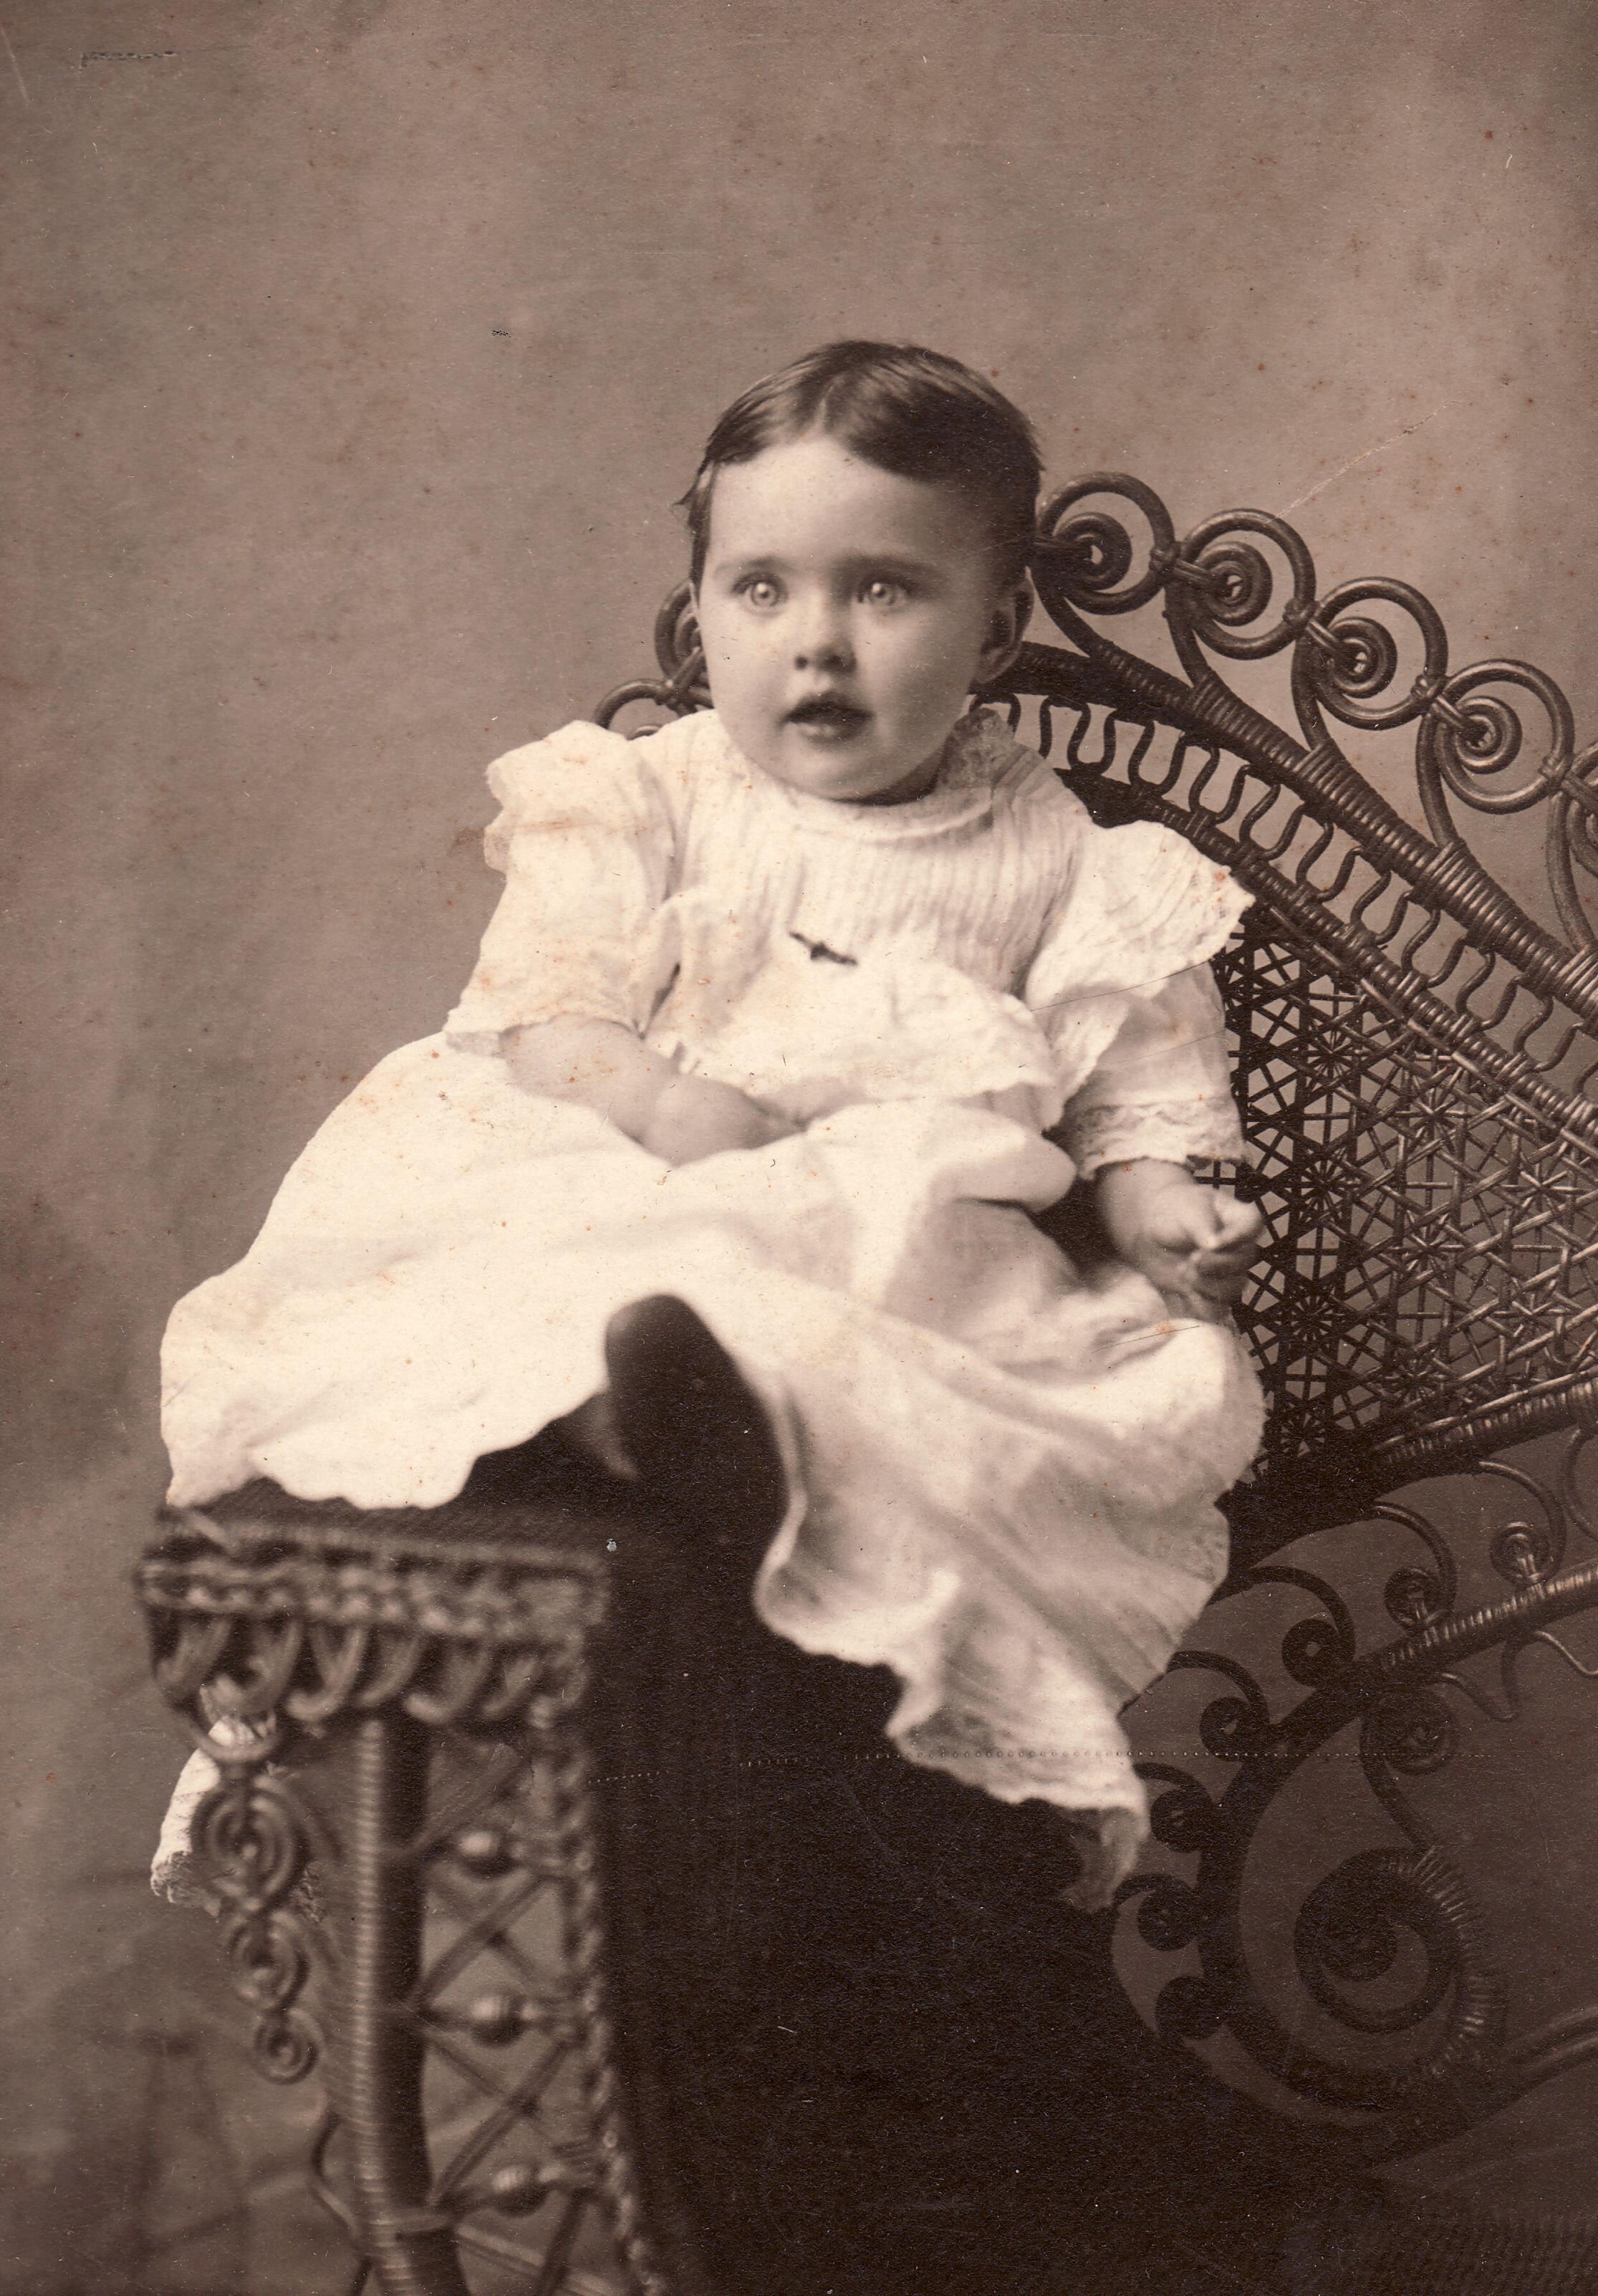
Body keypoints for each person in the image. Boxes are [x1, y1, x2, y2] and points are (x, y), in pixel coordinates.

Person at [157, 342, 1264, 1909]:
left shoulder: (1068, 861)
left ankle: (694, 1433)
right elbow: (547, 1017)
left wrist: (1169, 1211)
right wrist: (661, 1099)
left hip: (896, 1252)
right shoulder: (651, 799)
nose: (817, 642)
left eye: (884, 591)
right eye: (762, 590)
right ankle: (548, 1444)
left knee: (886, 1357)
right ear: (701, 614)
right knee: (518, 1293)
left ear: (998, 627)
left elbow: (1140, 1101)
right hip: (642, 1172)